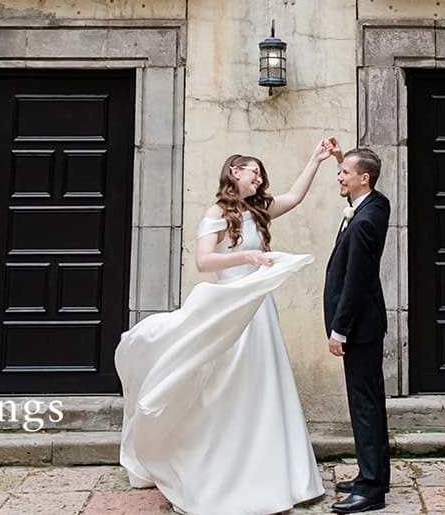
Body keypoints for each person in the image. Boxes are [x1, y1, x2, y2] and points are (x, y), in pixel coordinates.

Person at [117, 142, 337, 515]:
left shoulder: (258, 210)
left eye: (261, 174)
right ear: (235, 171)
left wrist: (315, 159)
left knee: (266, 384)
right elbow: (205, 261)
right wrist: (247, 256)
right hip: (232, 307)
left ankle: (279, 475)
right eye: (254, 171)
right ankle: (218, 469)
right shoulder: (217, 212)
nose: (260, 177)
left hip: (260, 308)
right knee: (231, 386)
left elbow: (296, 197)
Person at [324, 146, 391, 514]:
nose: (339, 176)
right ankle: (375, 474)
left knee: (364, 406)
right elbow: (359, 176)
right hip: (366, 326)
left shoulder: (364, 220)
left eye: (344, 173)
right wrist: (341, 159)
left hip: (359, 327)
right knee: (371, 401)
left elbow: (357, 281)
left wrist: (340, 330)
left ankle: (370, 490)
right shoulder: (374, 204)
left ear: (363, 178)